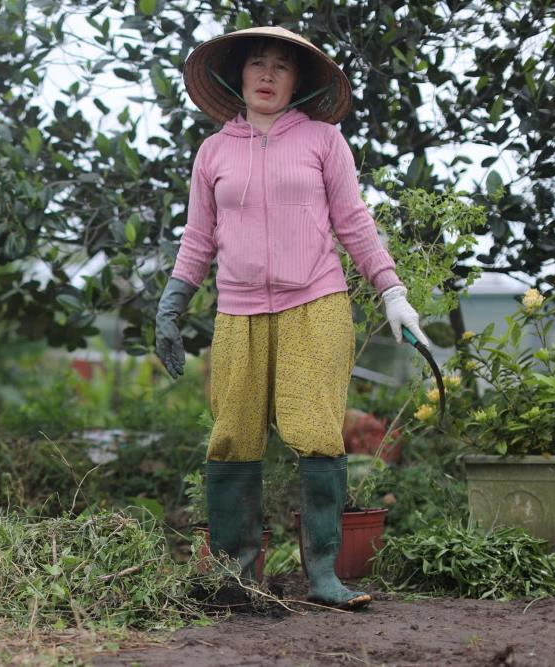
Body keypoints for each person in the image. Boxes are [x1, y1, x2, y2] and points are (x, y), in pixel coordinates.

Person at [156, 26, 430, 610]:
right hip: (238, 311)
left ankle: (325, 575)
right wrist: (171, 305)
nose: (268, 74)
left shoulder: (324, 141)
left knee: (316, 433)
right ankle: (237, 577)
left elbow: (354, 222)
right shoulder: (213, 151)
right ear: (238, 75)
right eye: (258, 63)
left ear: (298, 81)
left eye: (282, 66)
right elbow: (199, 236)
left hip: (317, 304)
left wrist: (393, 291)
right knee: (231, 438)